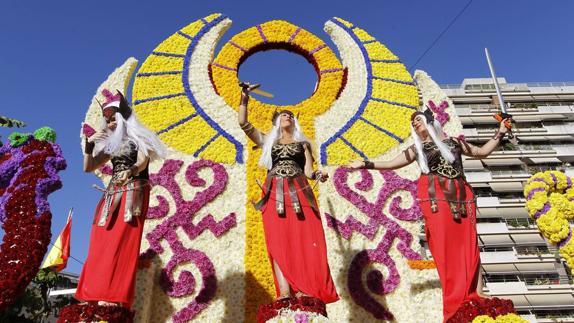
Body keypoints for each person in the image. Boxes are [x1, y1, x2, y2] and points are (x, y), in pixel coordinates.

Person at [348, 109, 510, 321]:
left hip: (462, 197)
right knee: (445, 246)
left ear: (430, 120)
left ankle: (477, 293)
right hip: (436, 198)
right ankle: (456, 298)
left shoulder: (454, 142)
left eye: (418, 120)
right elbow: (390, 164)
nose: (415, 124)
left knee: (469, 243)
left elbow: (481, 152)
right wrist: (365, 164)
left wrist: (500, 132)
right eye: (413, 123)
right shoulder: (418, 149)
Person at [238, 83, 339, 303]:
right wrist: (244, 98)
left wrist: (318, 175)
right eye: (284, 115)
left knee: (302, 238)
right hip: (275, 193)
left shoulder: (303, 144)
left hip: (300, 193)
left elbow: (309, 171)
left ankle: (303, 286)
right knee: (278, 240)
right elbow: (243, 123)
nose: (288, 116)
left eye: (291, 115)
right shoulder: (268, 141)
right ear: (276, 122)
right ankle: (284, 292)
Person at [76, 89, 167, 308]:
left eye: (113, 118)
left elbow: (143, 161)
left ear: (124, 118)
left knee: (121, 240)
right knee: (101, 239)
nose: (110, 123)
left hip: (132, 191)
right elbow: (89, 167)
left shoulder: (138, 139)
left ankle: (114, 295)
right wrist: (88, 149)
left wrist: (132, 170)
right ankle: (95, 291)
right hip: (111, 194)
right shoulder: (111, 146)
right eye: (107, 120)